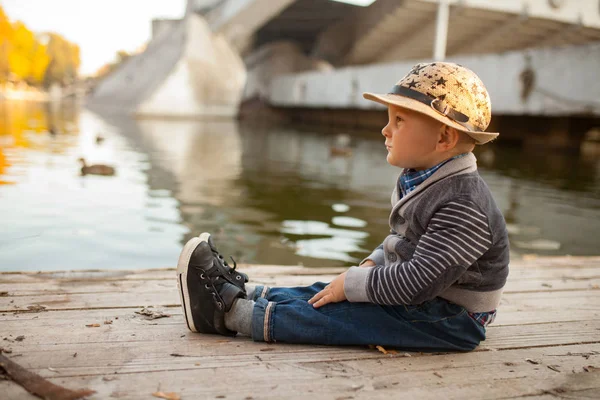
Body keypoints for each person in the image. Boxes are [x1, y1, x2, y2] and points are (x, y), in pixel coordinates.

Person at [176, 62, 510, 352]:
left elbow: (418, 281)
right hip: (427, 297)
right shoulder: (424, 179)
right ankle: (246, 293)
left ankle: (229, 315)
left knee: (348, 314)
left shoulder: (464, 204)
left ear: (443, 140)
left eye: (399, 121)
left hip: (452, 317)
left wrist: (354, 284)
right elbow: (403, 241)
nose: (385, 130)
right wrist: (370, 264)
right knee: (328, 292)